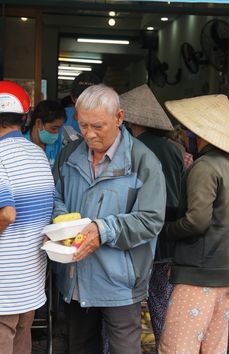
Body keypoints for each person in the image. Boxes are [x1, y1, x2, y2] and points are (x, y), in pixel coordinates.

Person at [52, 83, 166, 354]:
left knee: (123, 348)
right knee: (79, 346)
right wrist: (61, 221)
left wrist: (102, 230)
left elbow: (151, 219)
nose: (89, 134)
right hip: (76, 275)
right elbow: (55, 197)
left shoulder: (143, 161)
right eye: (83, 126)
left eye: (98, 126)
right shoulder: (69, 154)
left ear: (119, 118)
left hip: (120, 280)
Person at [159, 94, 229, 354]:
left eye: (186, 131)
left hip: (200, 274)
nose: (183, 136)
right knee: (213, 348)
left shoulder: (204, 167)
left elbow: (197, 221)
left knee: (178, 347)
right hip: (227, 274)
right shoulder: (228, 165)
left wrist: (164, 230)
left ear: (198, 135)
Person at [120, 84, 185, 350]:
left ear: (129, 119)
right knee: (161, 303)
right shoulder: (173, 148)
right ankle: (164, 347)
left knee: (129, 306)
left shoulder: (133, 148)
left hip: (144, 237)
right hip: (168, 237)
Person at [0, 80, 55, 354]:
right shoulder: (38, 155)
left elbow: (7, 214)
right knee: (22, 338)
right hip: (30, 279)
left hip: (4, 283)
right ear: (24, 119)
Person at [23, 99, 66, 168]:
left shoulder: (58, 143)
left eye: (59, 128)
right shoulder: (22, 143)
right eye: (53, 128)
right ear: (38, 123)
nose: (57, 133)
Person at [63, 71, 101, 136]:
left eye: (91, 97)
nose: (86, 101)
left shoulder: (107, 122)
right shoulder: (60, 116)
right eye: (81, 97)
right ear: (72, 97)